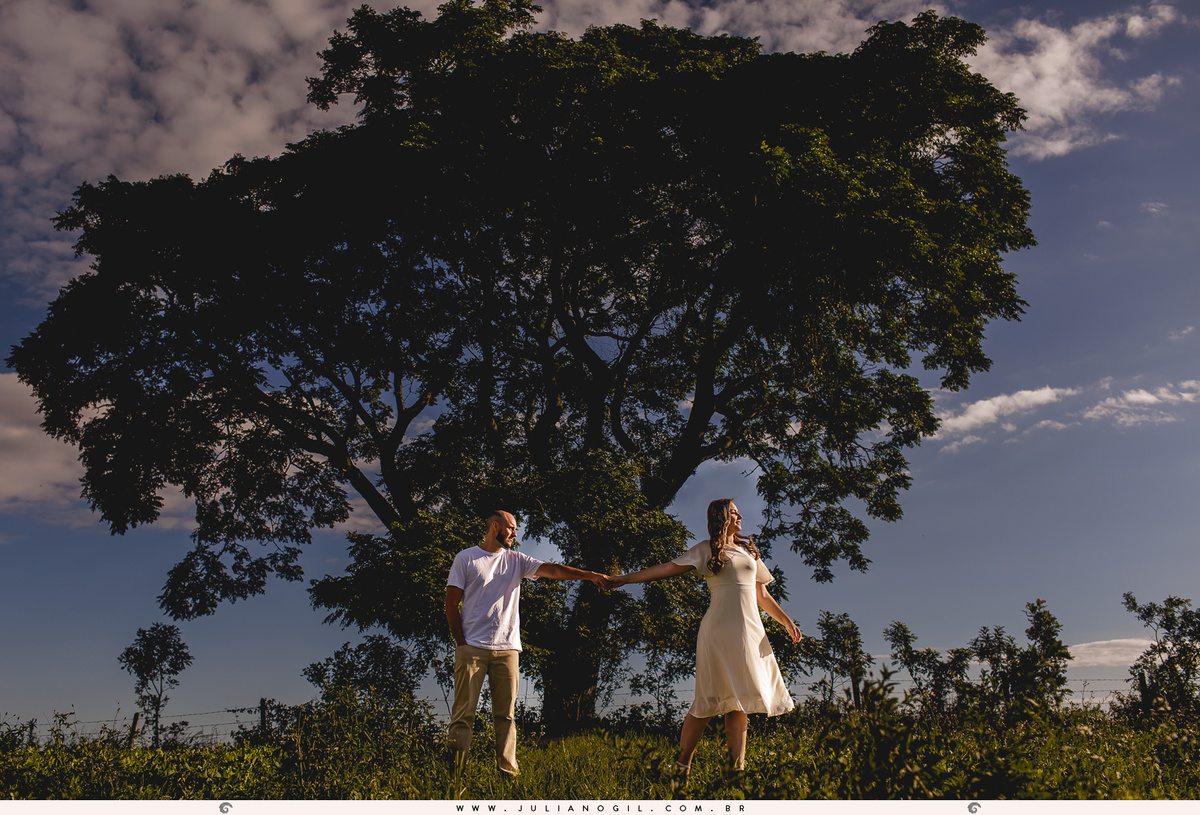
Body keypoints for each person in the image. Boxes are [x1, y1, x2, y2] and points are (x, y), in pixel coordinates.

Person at [609, 499, 802, 775]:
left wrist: (786, 621)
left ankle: (735, 771)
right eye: (734, 512)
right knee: (707, 701)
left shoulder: (749, 551)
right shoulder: (706, 550)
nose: (740, 516)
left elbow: (762, 595)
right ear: (722, 517)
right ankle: (681, 766)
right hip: (718, 631)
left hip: (749, 631)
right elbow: (666, 569)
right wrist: (623, 579)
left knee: (740, 702)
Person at [446, 510, 609, 777]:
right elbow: (451, 603)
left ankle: (508, 775)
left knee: (506, 716)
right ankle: (454, 776)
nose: (515, 533)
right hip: (472, 649)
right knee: (464, 714)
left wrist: (589, 575)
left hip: (507, 650)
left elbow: (553, 570)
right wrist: (461, 643)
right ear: (495, 526)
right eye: (511, 527)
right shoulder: (466, 558)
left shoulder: (517, 560)